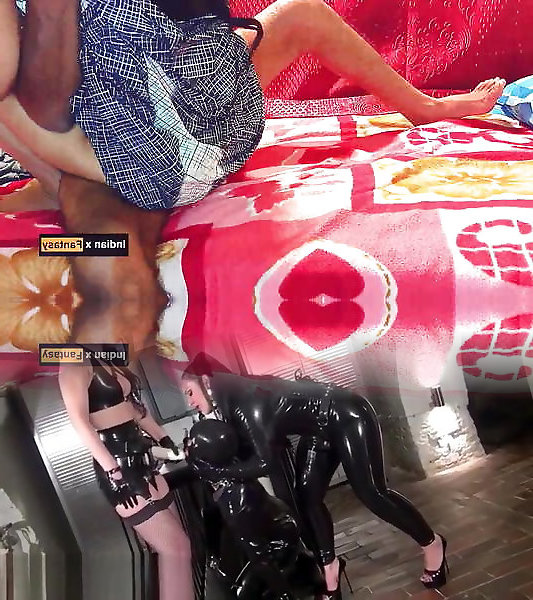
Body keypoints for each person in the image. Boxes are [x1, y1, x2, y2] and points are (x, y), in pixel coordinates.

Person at [179, 355, 449, 600]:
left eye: (190, 393)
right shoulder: (231, 397)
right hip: (318, 429)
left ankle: (432, 543)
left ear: (206, 382)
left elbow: (265, 463)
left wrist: (217, 471)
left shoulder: (244, 400)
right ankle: (331, 568)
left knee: (372, 493)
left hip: (347, 414)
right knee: (307, 497)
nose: (190, 402)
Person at [58, 350, 194, 600]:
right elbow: (79, 422)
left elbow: (136, 410)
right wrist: (112, 470)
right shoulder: (72, 359)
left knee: (177, 549)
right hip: (119, 466)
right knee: (177, 550)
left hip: (144, 460)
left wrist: (165, 440)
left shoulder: (107, 354)